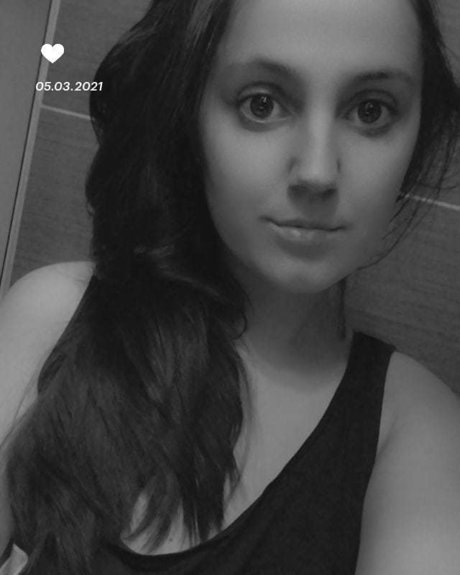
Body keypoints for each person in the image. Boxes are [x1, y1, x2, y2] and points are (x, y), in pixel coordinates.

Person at [1, 0, 460, 573]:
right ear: (189, 117)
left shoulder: (420, 433)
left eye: (371, 110)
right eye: (261, 103)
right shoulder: (53, 321)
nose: (318, 171)